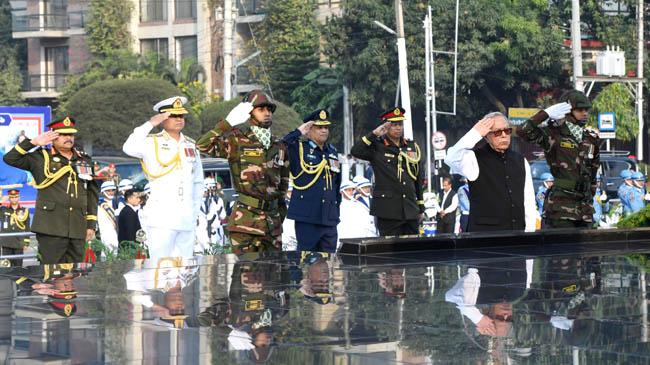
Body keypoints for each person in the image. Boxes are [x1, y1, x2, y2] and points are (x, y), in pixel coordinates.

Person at [196, 90, 290, 253]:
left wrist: (278, 217)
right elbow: (202, 145)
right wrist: (227, 123)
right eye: (261, 109)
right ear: (249, 113)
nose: (267, 113)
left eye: (269, 110)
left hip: (272, 225)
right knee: (247, 274)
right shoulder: (236, 140)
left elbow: (283, 184)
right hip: (245, 223)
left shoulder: (278, 145)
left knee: (275, 275)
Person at [3, 116, 99, 264]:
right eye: (63, 134)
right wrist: (33, 142)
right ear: (53, 136)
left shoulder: (84, 160)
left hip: (77, 226)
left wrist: (91, 224)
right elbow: (10, 158)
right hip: (51, 227)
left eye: (71, 134)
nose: (68, 138)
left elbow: (92, 193)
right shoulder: (41, 158)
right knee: (51, 274)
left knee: (75, 273)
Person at [122, 96, 204, 260]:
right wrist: (150, 124)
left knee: (184, 268)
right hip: (162, 217)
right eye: (173, 116)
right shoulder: (152, 142)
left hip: (186, 216)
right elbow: (128, 147)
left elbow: (197, 182)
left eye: (181, 116)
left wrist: (194, 212)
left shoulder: (190, 144)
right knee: (161, 268)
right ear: (163, 118)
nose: (178, 120)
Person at [519, 90, 600, 228]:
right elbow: (523, 130)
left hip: (584, 207)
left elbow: (593, 171)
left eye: (586, 109)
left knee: (586, 248)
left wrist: (590, 195)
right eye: (580, 109)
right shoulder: (553, 133)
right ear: (568, 110)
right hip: (561, 206)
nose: (584, 113)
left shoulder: (590, 138)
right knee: (563, 247)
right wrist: (545, 114)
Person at [444, 112, 537, 232]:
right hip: (484, 237)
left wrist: (530, 233)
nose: (504, 135)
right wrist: (474, 134)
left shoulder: (520, 160)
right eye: (498, 132)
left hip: (517, 235)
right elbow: (450, 158)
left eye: (507, 131)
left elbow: (528, 201)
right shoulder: (474, 158)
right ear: (486, 135)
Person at [350, 107, 424, 236]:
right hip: (388, 210)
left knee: (412, 249)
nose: (398, 127)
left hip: (410, 209)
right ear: (385, 126)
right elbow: (355, 151)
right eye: (394, 124)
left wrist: (420, 206)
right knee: (390, 250)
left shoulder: (411, 146)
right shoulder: (377, 146)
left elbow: (417, 177)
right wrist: (374, 134)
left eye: (400, 124)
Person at [282, 109, 341, 252]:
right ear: (309, 130)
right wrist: (298, 132)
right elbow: (281, 145)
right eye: (319, 127)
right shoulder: (299, 148)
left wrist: (336, 211)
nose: (323, 131)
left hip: (328, 217)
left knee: (328, 263)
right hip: (307, 217)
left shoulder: (332, 151)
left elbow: (336, 185)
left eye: (326, 127)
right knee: (307, 262)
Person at [0, 189, 30, 266]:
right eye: (12, 197)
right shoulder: (3, 209)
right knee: (6, 266)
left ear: (19, 197)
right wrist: (1, 201)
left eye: (16, 197)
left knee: (18, 266)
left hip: (18, 243)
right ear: (9, 198)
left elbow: (27, 227)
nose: (14, 199)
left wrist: (26, 243)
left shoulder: (24, 211)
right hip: (6, 242)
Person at [97, 181, 118, 252]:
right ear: (103, 192)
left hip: (118, 231)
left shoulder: (118, 202)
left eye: (113, 190)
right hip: (106, 232)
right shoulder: (100, 205)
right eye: (108, 191)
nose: (111, 192)